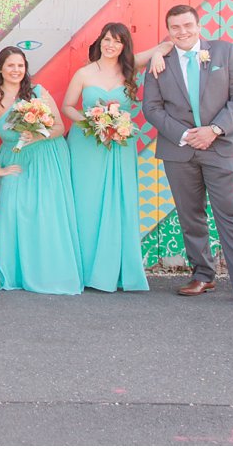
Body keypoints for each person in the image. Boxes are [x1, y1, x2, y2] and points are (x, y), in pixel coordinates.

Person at [141, 4, 233, 309]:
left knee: (231, 214)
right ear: (168, 31)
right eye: (175, 28)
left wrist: (215, 129)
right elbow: (151, 108)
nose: (182, 32)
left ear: (198, 25)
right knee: (190, 215)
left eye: (187, 26)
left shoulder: (223, 52)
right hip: (179, 150)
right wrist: (185, 135)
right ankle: (203, 274)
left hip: (220, 146)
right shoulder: (159, 62)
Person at [60, 23, 171, 293]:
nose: (111, 45)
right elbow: (66, 106)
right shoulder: (84, 73)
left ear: (124, 46)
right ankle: (84, 270)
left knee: (118, 201)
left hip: (120, 145)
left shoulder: (130, 66)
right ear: (100, 42)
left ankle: (115, 270)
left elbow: (168, 43)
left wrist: (157, 55)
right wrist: (91, 121)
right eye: (107, 39)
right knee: (86, 202)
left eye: (118, 41)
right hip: (87, 143)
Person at [0, 46, 83, 295]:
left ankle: (51, 272)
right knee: (15, 212)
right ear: (0, 68)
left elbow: (57, 127)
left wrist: (37, 133)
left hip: (48, 155)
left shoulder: (37, 93)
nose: (16, 70)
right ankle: (17, 273)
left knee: (47, 213)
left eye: (20, 65)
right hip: (15, 159)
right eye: (10, 65)